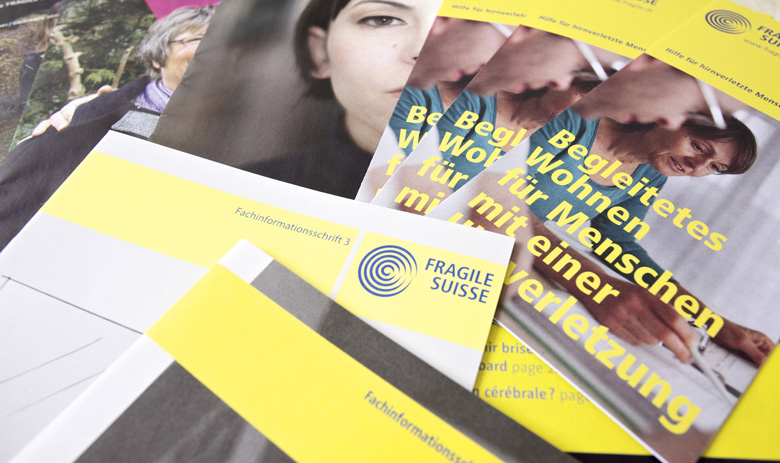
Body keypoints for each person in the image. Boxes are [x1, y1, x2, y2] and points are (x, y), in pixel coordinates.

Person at [521, 108, 773, 365]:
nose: (697, 167)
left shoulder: (651, 173)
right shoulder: (572, 120)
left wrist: (712, 322)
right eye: (698, 147)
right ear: (671, 119)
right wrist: (596, 284)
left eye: (714, 167)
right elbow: (501, 200)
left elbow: (616, 243)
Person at [0, 5, 216, 251]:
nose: (214, 50)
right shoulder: (87, 119)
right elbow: (18, 200)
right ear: (157, 57)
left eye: (227, 44)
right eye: (198, 39)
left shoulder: (243, 133)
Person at [239, 0, 439, 198]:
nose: (423, 51)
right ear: (321, 53)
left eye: (459, 29)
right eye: (383, 20)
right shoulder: (244, 192)